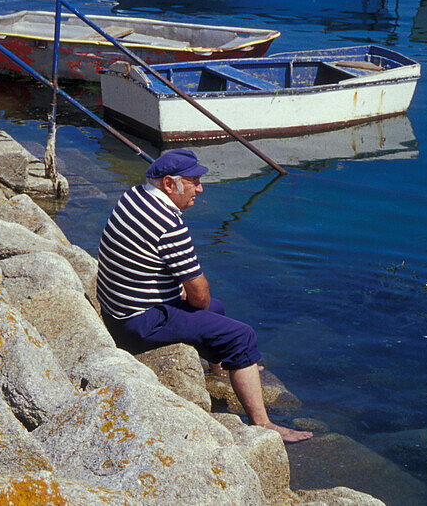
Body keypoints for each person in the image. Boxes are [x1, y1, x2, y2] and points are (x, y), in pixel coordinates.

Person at [97, 148, 312, 443]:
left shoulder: (134, 196)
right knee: (242, 335)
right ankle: (263, 424)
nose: (200, 188)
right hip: (139, 322)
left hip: (117, 308)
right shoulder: (168, 223)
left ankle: (220, 368)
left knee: (218, 310)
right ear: (170, 184)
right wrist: (195, 299)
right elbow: (198, 294)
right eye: (194, 181)